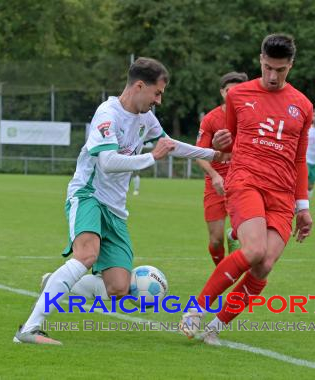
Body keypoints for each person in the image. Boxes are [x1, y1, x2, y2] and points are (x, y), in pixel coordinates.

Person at [14, 57, 226, 345]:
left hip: (115, 209)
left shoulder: (146, 118)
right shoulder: (107, 114)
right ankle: (29, 329)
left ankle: (59, 281)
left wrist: (215, 155)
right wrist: (152, 157)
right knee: (86, 255)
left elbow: (170, 145)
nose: (159, 101)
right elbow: (108, 162)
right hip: (88, 194)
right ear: (139, 86)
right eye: (157, 93)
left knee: (118, 288)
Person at [179, 33, 313, 345]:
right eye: (267, 67)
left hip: (281, 195)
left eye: (279, 70)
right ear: (260, 60)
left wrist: (303, 208)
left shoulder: (303, 105)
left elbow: (300, 160)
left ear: (290, 65)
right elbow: (225, 148)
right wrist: (220, 144)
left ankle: (216, 327)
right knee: (253, 250)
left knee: (264, 265)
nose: (272, 76)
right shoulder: (238, 96)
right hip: (246, 181)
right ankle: (196, 309)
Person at [196, 72, 248, 266]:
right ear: (222, 92)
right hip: (215, 182)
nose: (232, 94)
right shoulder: (211, 119)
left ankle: (234, 240)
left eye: (238, 91)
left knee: (246, 232)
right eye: (228, 91)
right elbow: (199, 154)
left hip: (243, 179)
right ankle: (222, 268)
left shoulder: (251, 117)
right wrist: (214, 175)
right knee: (216, 240)